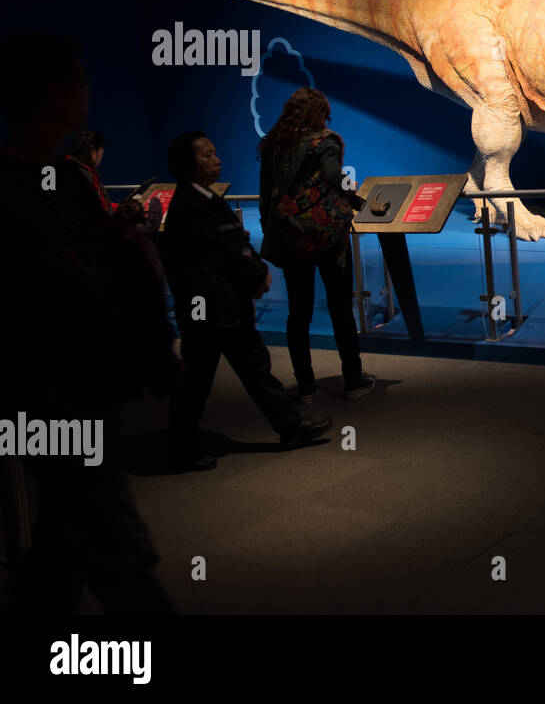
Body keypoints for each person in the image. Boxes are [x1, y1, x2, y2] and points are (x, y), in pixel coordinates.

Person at [0, 31, 176, 614]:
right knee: (112, 541)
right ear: (53, 94)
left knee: (62, 539)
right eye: (80, 80)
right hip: (49, 395)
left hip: (81, 389)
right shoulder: (15, 189)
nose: (89, 90)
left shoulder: (62, 180)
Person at [160, 130, 332, 472]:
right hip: (210, 311)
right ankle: (181, 448)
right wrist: (255, 276)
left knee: (253, 368)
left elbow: (234, 244)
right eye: (207, 155)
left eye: (214, 152)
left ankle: (290, 427)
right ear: (188, 164)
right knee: (197, 380)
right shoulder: (190, 207)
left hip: (225, 307)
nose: (216, 159)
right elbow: (222, 253)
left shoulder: (206, 200)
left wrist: (256, 274)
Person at [257, 88, 373, 403]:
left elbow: (266, 195)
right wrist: (357, 195)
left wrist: (273, 232)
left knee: (299, 313)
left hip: (292, 238)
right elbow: (337, 176)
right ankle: (352, 379)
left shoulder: (273, 146)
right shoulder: (325, 141)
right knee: (340, 309)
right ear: (319, 113)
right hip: (329, 239)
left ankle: (306, 387)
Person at [62, 129, 113, 219]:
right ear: (92, 151)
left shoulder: (58, 167)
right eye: (101, 153)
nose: (101, 158)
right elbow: (99, 212)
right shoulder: (87, 176)